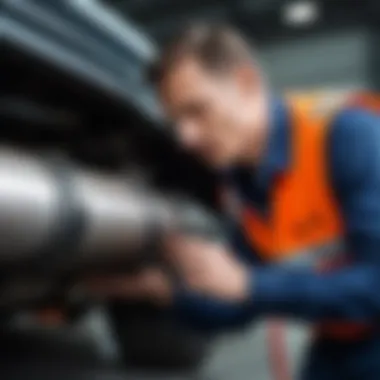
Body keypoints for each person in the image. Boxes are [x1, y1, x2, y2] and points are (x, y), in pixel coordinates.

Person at [89, 24, 380, 380]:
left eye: (197, 111)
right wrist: (165, 293)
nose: (185, 138)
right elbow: (239, 308)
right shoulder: (243, 183)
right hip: (341, 341)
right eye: (176, 121)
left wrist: (249, 284)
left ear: (246, 83)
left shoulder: (350, 136)